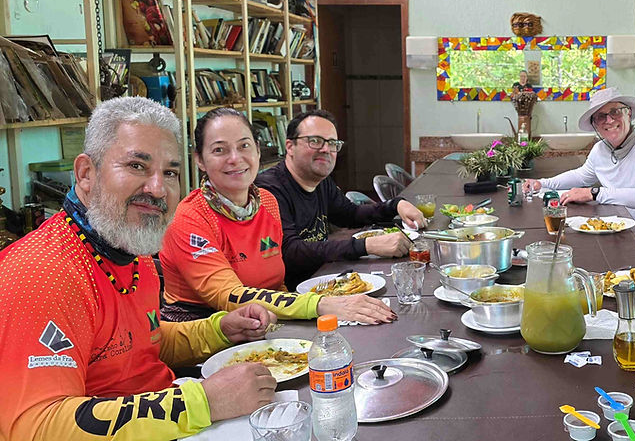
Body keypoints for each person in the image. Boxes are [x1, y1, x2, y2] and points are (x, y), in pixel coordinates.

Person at [0, 97, 280, 440]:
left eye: (171, 172)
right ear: (86, 173)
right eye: (137, 166)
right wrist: (201, 402)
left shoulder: (133, 250)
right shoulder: (43, 272)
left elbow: (142, 342)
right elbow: (35, 425)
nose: (158, 189)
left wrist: (219, 329)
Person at [159, 108, 396, 325]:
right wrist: (321, 304)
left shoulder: (266, 202)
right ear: (199, 160)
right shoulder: (189, 218)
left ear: (258, 151)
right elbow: (228, 295)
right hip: (210, 338)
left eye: (244, 146)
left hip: (271, 327)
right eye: (219, 150)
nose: (235, 158)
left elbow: (277, 284)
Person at [255, 110, 427, 289]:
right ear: (290, 146)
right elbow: (290, 252)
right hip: (292, 295)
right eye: (315, 141)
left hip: (324, 277)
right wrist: (366, 245)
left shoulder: (320, 182)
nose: (325, 149)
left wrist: (396, 205)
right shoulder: (269, 190)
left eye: (332, 143)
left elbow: (351, 214)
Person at [523, 87, 635, 236]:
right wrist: (542, 183)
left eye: (615, 111)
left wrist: (594, 193)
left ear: (629, 113)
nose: (609, 120)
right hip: (616, 232)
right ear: (595, 125)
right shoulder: (600, 149)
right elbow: (580, 176)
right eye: (601, 116)